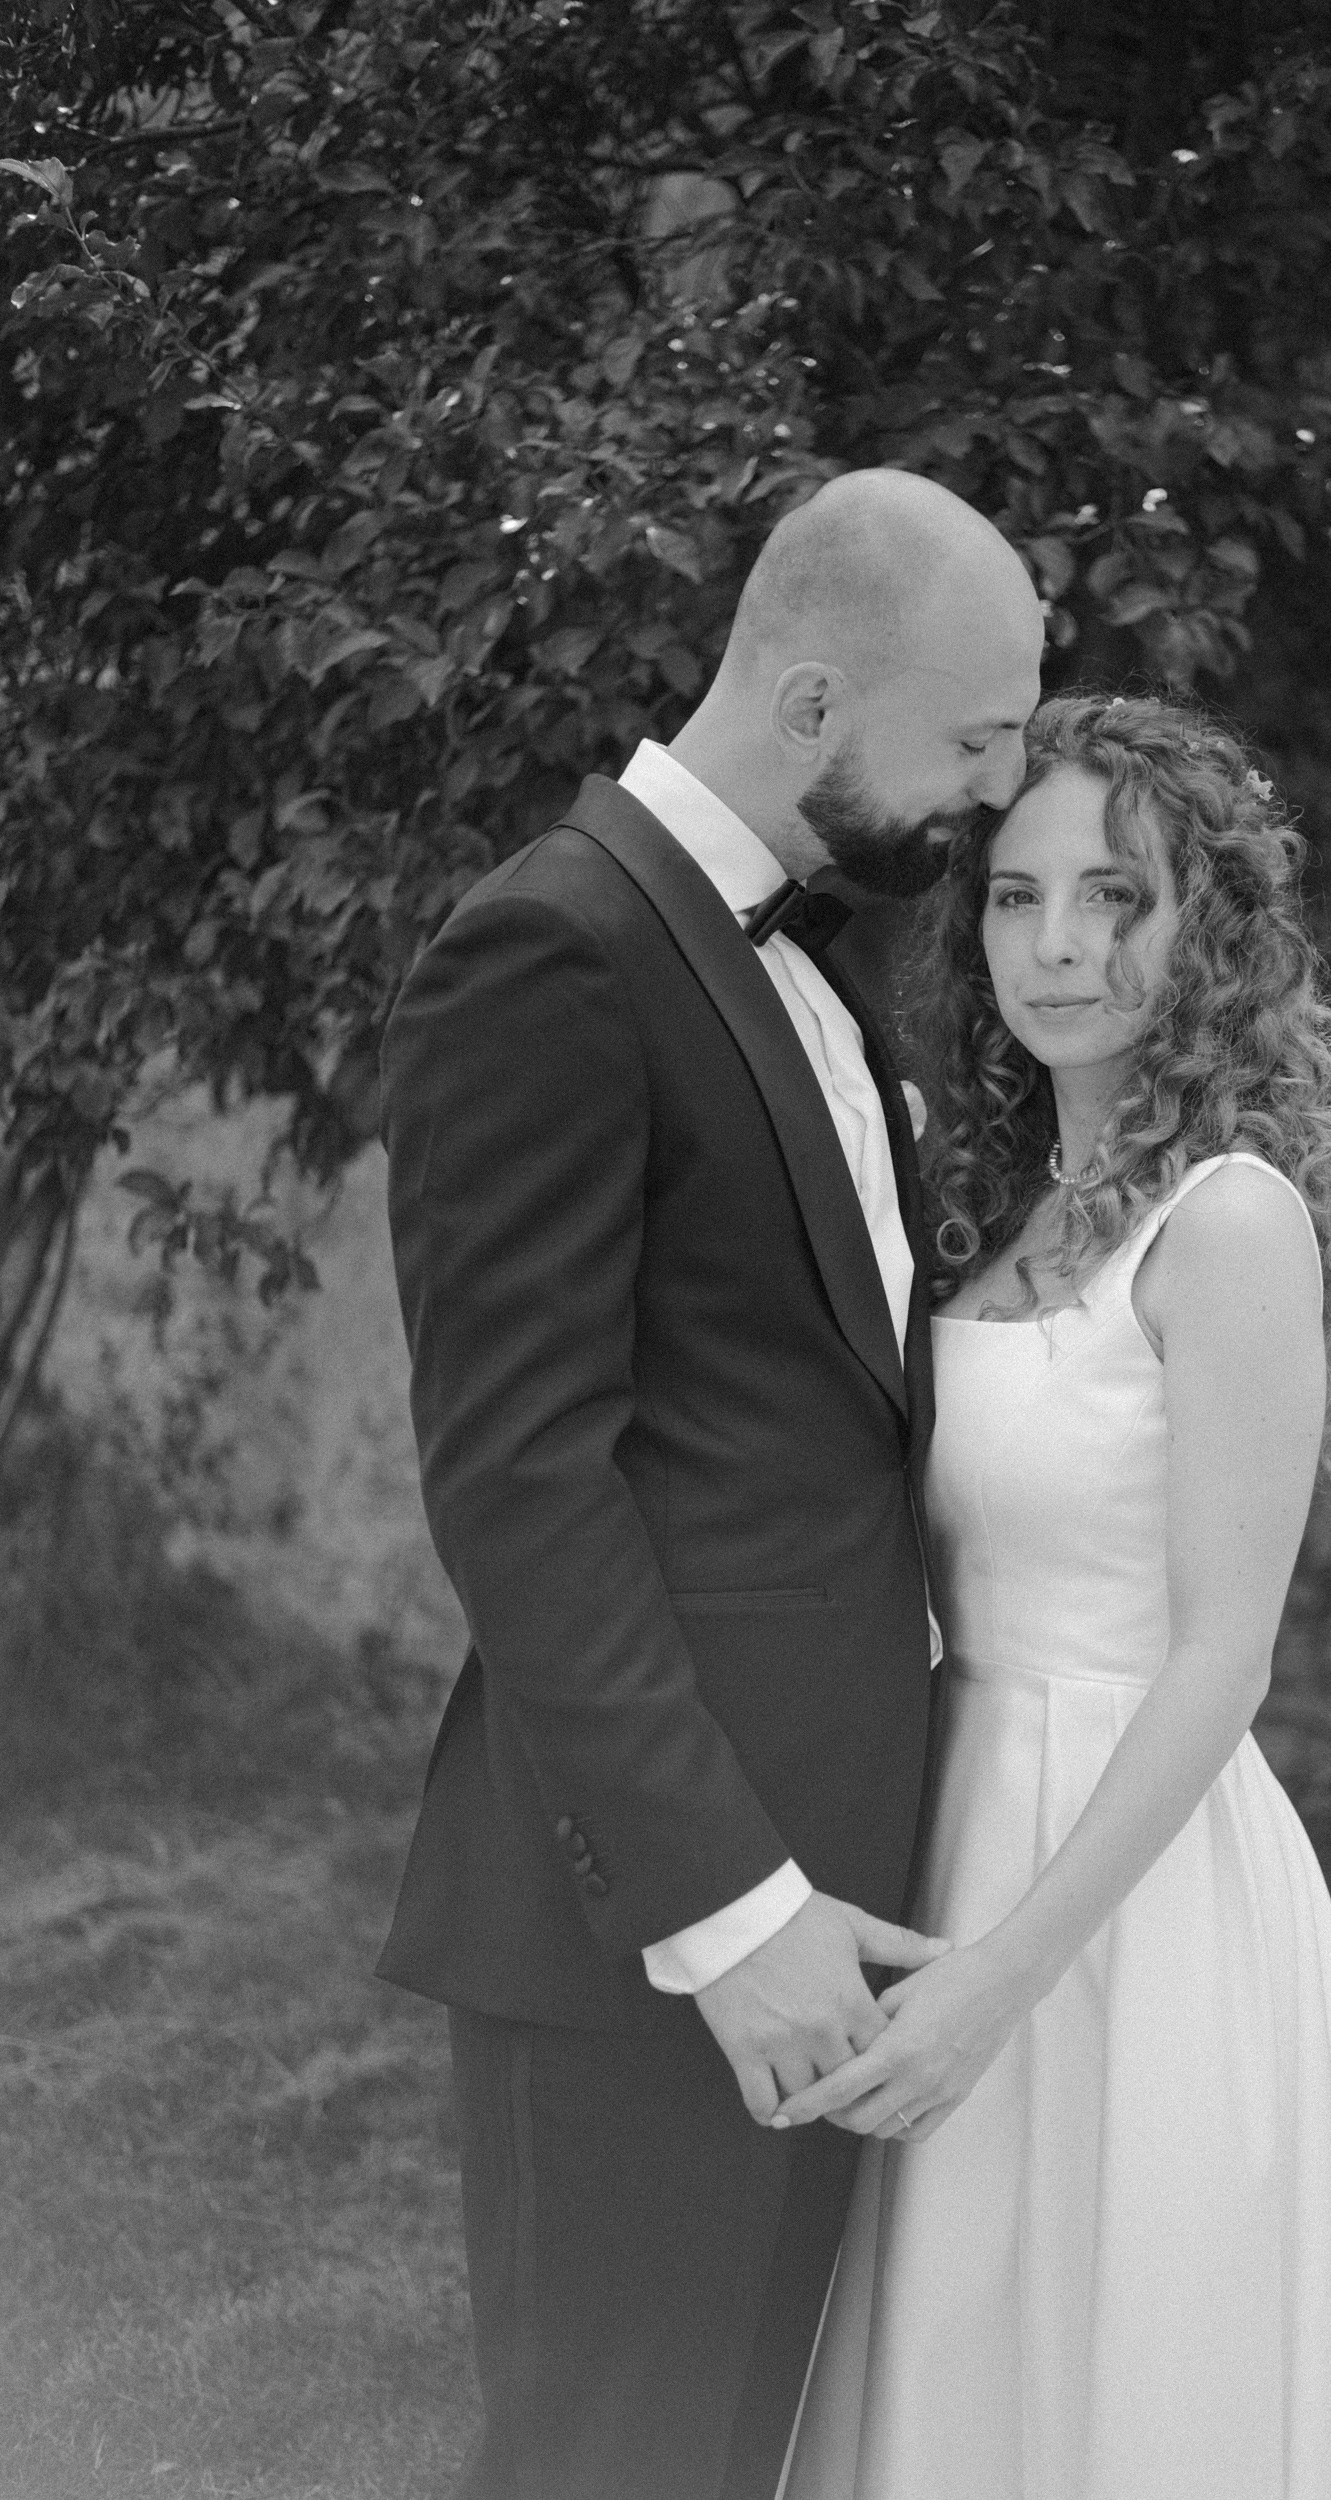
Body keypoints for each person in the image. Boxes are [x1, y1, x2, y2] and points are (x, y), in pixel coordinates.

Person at [776, 693, 1331, 2500]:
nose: (1060, 946)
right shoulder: (993, 1213)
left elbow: (1224, 1662)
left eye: (1119, 897)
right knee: (968, 2347)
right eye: (1019, 898)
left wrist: (1000, 1981)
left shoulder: (1226, 1222)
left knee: (1156, 2365)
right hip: (954, 1817)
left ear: (1207, 933)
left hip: (1127, 1876)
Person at [376, 469, 1046, 2500]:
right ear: (814, 701)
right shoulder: (550, 951)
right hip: (660, 1934)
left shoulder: (808, 966)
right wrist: (727, 1913)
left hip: (837, 1904)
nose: (995, 793)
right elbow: (521, 1484)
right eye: (974, 741)